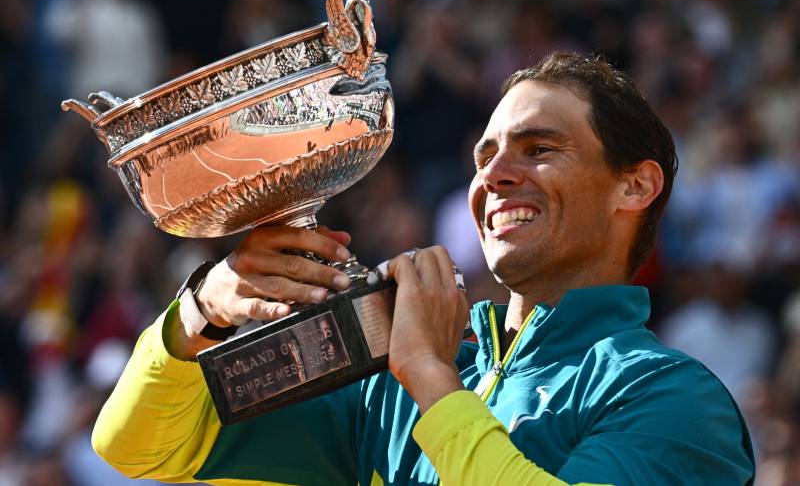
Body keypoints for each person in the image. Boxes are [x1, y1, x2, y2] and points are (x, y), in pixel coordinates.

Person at [91, 53, 755, 485]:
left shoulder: (673, 399)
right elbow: (140, 446)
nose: (493, 175)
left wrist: (431, 378)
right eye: (485, 154)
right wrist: (203, 309)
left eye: (539, 147)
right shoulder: (392, 382)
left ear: (634, 186)